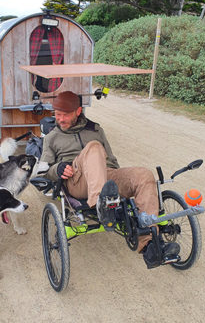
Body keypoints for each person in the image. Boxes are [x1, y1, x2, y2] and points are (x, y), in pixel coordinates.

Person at [40, 90, 179, 268]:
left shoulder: (96, 129)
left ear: (78, 111)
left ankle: (150, 245)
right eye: (57, 114)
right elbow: (43, 170)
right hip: (77, 180)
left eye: (65, 115)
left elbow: (112, 160)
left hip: (105, 174)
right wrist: (57, 169)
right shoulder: (52, 138)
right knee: (94, 147)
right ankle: (100, 203)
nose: (60, 119)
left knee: (144, 174)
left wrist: (121, 180)